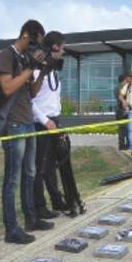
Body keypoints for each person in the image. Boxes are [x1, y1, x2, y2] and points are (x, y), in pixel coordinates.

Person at [0, 20, 53, 243]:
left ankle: (31, 218)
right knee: (12, 179)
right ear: (25, 35)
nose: (35, 49)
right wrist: (29, 68)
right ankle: (11, 229)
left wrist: (42, 72)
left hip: (27, 122)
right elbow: (7, 88)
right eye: (34, 43)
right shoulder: (6, 56)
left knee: (30, 173)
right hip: (13, 124)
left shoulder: (24, 59)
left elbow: (32, 94)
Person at [32, 31, 84, 219]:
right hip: (41, 123)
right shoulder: (36, 69)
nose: (63, 51)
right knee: (39, 168)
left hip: (55, 121)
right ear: (54, 47)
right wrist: (45, 121)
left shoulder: (53, 69)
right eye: (61, 47)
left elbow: (53, 95)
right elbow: (29, 100)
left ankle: (56, 200)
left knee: (55, 165)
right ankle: (39, 207)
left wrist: (57, 117)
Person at [115, 74, 129, 150]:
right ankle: (127, 144)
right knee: (126, 128)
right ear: (124, 79)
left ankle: (121, 145)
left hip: (118, 110)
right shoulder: (123, 87)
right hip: (123, 110)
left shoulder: (116, 87)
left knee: (121, 129)